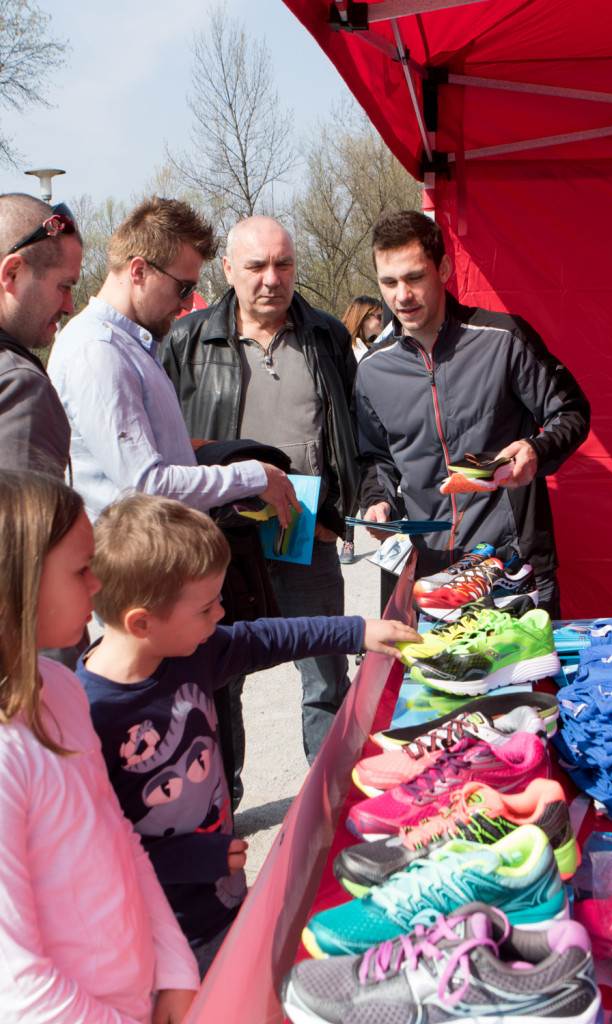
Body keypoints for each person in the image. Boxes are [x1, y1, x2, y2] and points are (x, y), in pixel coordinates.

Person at [75, 491, 419, 974]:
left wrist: (357, 630)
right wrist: (195, 858)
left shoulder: (190, 649)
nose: (220, 615)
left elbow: (267, 638)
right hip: (167, 938)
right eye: (206, 608)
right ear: (142, 621)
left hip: (225, 894)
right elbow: (93, 859)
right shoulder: (85, 717)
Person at [0, 469, 200, 1022]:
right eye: (81, 570)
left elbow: (120, 841)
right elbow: (19, 989)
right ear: (17, 583)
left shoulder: (59, 688)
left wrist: (176, 972)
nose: (96, 586)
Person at [161, 216, 360, 765]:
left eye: (284, 263)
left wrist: (336, 516)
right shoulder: (188, 339)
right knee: (222, 681)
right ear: (228, 270)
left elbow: (351, 431)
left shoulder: (327, 336)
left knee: (326, 670)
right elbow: (168, 441)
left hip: (308, 536)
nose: (272, 278)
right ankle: (225, 807)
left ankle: (329, 796)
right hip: (222, 543)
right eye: (256, 266)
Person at [355, 211, 591, 616]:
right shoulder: (372, 368)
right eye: (389, 283)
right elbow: (376, 457)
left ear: (443, 268)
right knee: (430, 681)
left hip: (509, 564)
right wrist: (377, 501)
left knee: (522, 681)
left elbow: (571, 412)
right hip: (424, 571)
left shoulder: (504, 339)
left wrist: (536, 450)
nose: (402, 296)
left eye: (414, 278)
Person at [47, 196, 296, 527]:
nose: (189, 303)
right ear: (139, 271)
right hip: (130, 570)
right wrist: (252, 476)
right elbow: (146, 486)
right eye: (183, 288)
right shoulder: (98, 351)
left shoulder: (131, 347)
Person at [0, 193, 82, 476]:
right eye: (64, 286)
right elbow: (28, 521)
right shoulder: (18, 386)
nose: (70, 307)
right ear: (12, 273)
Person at [338, 295, 382, 565]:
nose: (381, 321)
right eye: (377, 316)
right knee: (352, 487)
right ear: (363, 318)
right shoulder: (347, 350)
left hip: (370, 425)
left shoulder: (371, 349)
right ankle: (348, 538)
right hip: (351, 428)